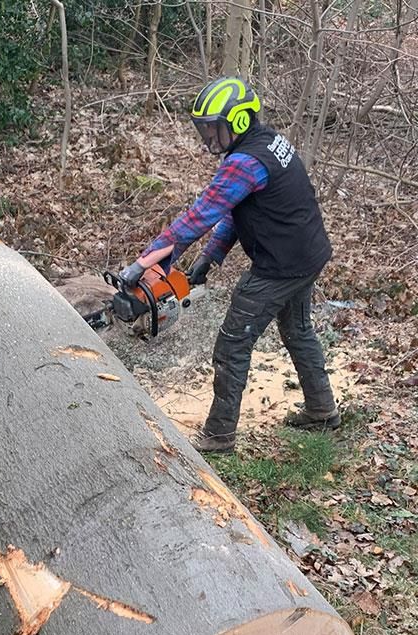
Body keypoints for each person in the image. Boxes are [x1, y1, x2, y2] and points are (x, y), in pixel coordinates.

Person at [119, 76, 341, 454]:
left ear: (237, 121)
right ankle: (322, 410)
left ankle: (218, 436)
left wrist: (144, 262)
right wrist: (210, 257)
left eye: (212, 129)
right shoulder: (267, 143)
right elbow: (237, 211)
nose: (208, 138)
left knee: (232, 343)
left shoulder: (244, 161)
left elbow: (199, 216)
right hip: (307, 254)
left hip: (280, 265)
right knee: (299, 330)